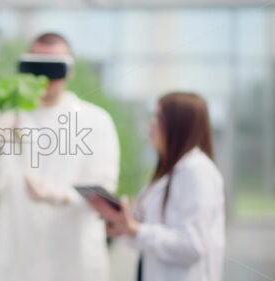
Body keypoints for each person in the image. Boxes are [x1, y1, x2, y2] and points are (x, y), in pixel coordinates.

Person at [0, 33, 120, 281]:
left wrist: (58, 196)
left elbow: (105, 190)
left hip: (73, 260)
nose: (45, 78)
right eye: (38, 66)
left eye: (54, 68)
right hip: (17, 257)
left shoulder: (95, 120)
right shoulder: (9, 117)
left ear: (69, 70)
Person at [90, 92, 225, 281]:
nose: (150, 125)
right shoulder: (170, 172)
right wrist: (125, 227)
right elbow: (156, 233)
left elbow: (193, 245)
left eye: (158, 118)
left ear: (179, 125)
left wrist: (137, 230)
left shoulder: (197, 171)